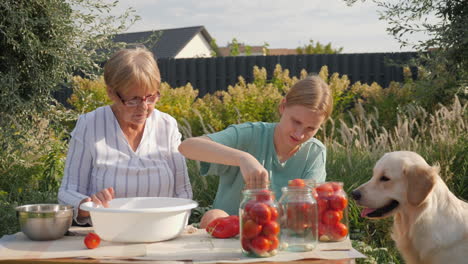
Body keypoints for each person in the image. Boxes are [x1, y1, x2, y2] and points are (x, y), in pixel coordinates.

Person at [58, 47, 192, 225]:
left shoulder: (167, 125)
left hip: (160, 233)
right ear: (111, 93)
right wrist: (88, 204)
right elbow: (67, 192)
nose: (143, 107)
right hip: (106, 237)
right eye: (133, 100)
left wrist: (173, 226)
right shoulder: (90, 125)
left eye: (150, 97)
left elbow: (183, 193)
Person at [178, 75, 333, 224]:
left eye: (310, 128)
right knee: (214, 215)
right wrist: (243, 158)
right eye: (296, 121)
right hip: (228, 234)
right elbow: (187, 147)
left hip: (282, 237)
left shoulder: (315, 152)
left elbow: (308, 209)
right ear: (283, 107)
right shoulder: (250, 134)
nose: (299, 134)